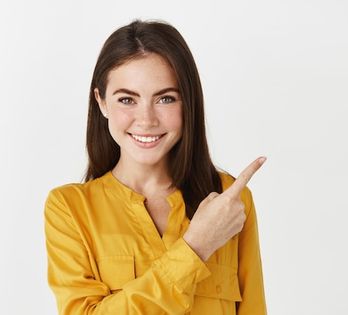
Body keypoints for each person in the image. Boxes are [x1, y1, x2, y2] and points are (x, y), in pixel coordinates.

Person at [44, 19, 267, 315]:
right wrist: (195, 248)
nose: (146, 119)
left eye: (165, 98)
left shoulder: (228, 199)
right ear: (101, 102)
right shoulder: (70, 209)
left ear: (188, 102)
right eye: (127, 99)